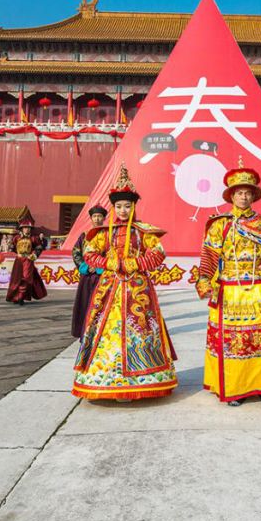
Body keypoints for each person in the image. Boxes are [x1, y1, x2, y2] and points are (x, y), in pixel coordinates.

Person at [73, 165, 177, 401]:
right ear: (113, 208)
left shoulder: (143, 232)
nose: (122, 210)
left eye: (127, 206)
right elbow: (89, 253)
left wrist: (134, 264)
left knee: (140, 330)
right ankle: (107, 379)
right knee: (105, 331)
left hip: (137, 288)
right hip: (110, 287)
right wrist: (109, 263)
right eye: (119, 206)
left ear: (133, 207)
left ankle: (142, 380)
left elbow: (158, 253)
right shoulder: (102, 233)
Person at [196, 162, 261, 406]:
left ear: (254, 195)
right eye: (239, 192)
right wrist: (204, 279)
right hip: (231, 289)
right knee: (235, 341)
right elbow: (210, 256)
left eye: (247, 192)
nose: (243, 196)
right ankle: (236, 388)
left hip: (260, 288)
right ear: (232, 195)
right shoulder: (220, 224)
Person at [71, 207, 108, 339]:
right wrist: (84, 266)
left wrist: (101, 267)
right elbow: (76, 252)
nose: (97, 219)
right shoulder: (84, 236)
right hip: (87, 276)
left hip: (103, 275)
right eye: (94, 216)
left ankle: (101, 331)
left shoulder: (108, 235)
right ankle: (85, 331)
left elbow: (111, 254)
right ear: (91, 218)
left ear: (104, 218)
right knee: (86, 302)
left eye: (99, 216)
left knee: (102, 303)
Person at [5, 219, 48, 305]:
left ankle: (21, 296)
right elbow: (14, 248)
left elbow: (39, 248)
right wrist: (10, 245)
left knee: (26, 277)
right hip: (18, 260)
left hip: (28, 260)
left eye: (28, 228)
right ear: (21, 229)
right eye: (25, 228)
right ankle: (16, 297)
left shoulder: (34, 238)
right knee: (16, 279)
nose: (26, 229)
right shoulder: (16, 238)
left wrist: (34, 255)